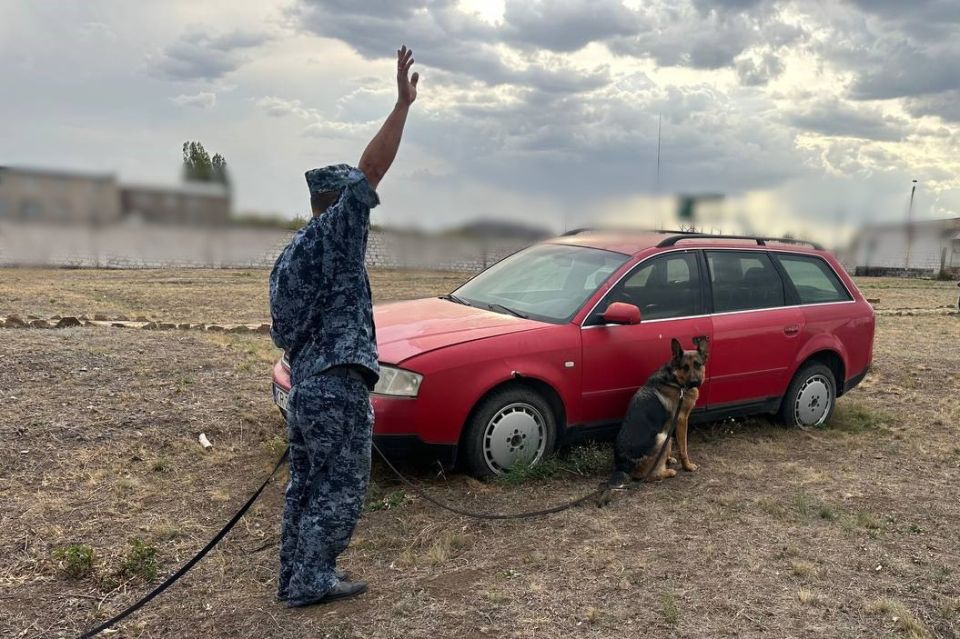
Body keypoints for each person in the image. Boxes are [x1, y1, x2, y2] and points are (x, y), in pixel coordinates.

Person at [268, 45, 419, 607]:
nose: (367, 205)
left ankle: (295, 575)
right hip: (335, 386)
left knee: (305, 485)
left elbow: (284, 330)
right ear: (338, 204)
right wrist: (401, 106)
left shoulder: (291, 255)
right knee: (342, 487)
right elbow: (371, 171)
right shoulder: (336, 233)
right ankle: (312, 579)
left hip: (306, 385)